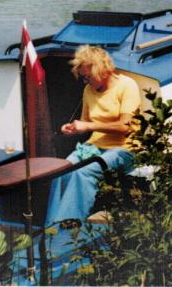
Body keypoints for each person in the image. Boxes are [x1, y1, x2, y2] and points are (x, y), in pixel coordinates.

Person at [45, 45, 141, 228]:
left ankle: (71, 223)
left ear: (101, 70)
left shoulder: (126, 86)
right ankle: (52, 224)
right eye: (83, 78)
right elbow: (85, 123)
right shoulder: (89, 90)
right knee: (62, 170)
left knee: (84, 171)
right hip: (94, 146)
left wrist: (88, 125)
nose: (85, 81)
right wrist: (74, 128)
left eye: (87, 77)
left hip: (124, 149)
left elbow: (126, 127)